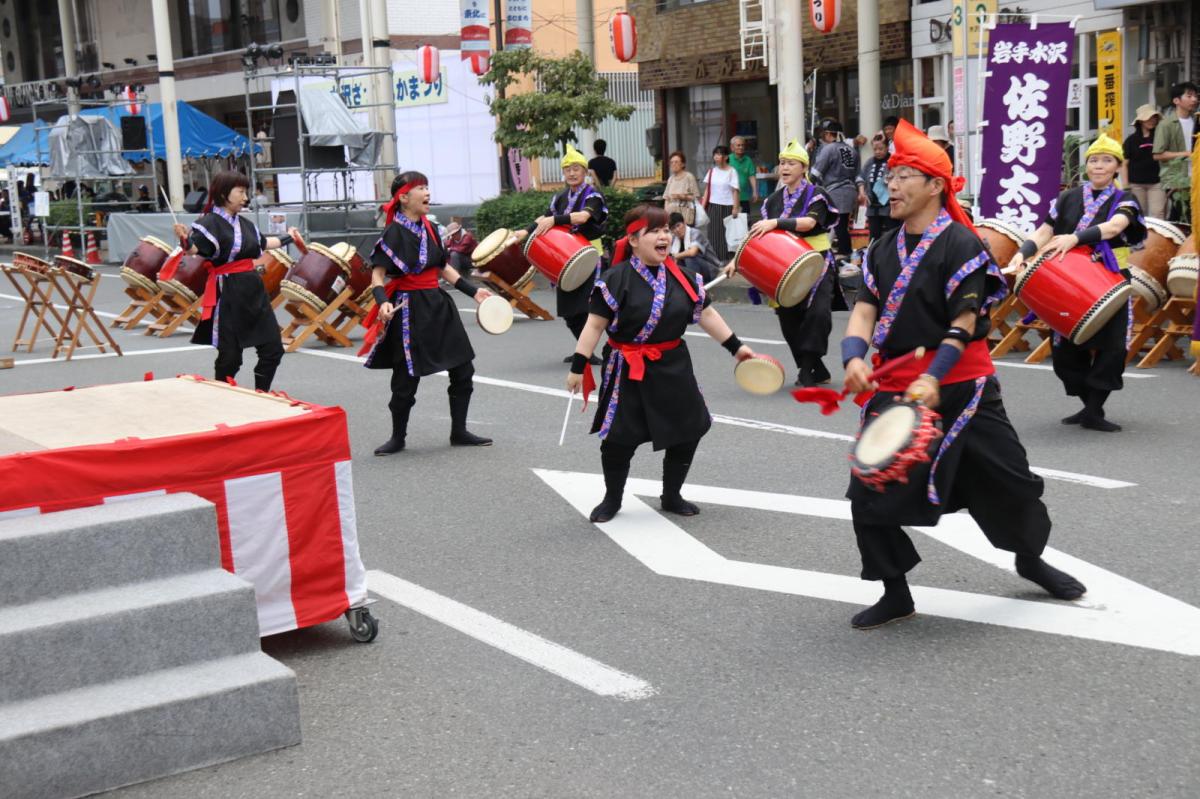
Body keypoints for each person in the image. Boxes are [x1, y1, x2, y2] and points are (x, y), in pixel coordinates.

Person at [840, 119, 1086, 630]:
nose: (893, 182)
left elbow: (965, 321)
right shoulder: (883, 248)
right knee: (870, 488)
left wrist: (937, 373)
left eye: (905, 173)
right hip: (897, 387)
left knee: (1011, 485)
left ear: (935, 186)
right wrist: (853, 356)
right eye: (890, 173)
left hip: (963, 387)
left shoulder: (961, 244)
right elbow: (865, 308)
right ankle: (895, 591)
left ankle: (1028, 557)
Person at [566, 205, 756, 523]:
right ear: (634, 240)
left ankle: (671, 495)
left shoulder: (684, 277)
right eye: (654, 231)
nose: (663, 235)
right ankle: (612, 499)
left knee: (689, 429)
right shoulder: (615, 279)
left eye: (666, 230)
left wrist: (737, 348)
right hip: (628, 367)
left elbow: (707, 315)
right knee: (618, 440)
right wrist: (578, 367)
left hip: (672, 364)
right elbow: (595, 325)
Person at [1007, 134, 1146, 432]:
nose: (1099, 166)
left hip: (1109, 279)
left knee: (1112, 349)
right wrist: (1022, 253)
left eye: (1107, 160)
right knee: (1064, 354)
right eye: (1094, 160)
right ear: (1087, 166)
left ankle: (1094, 411)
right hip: (1066, 280)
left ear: (1117, 167)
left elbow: (1114, 228)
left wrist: (1075, 238)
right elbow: (1044, 232)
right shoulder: (1067, 198)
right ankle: (1088, 404)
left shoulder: (1126, 200)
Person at [360, 171, 495, 454]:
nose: (427, 192)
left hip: (438, 303)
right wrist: (382, 301)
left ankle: (459, 430)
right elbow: (377, 275)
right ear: (404, 197)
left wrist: (474, 291)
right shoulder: (393, 232)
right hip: (408, 308)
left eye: (427, 187)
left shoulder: (431, 228)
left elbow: (443, 267)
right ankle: (398, 437)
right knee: (406, 378)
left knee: (463, 367)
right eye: (421, 187)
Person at [170, 171, 300, 391]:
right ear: (223, 193)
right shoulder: (208, 223)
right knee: (230, 356)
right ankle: (223, 394)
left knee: (272, 348)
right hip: (228, 291)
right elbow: (195, 248)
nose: (245, 197)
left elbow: (265, 243)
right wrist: (184, 239)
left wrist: (290, 235)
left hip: (253, 289)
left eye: (245, 191)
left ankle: (262, 393)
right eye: (240, 191)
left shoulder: (245, 224)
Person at [730, 139, 837, 386]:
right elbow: (760, 235)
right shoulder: (773, 201)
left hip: (816, 261)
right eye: (782, 163)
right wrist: (737, 260)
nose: (784, 168)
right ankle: (814, 367)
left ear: (804, 168)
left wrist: (776, 223)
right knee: (788, 318)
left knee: (817, 315)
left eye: (791, 163)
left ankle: (807, 369)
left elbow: (809, 224)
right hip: (782, 264)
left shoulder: (816, 194)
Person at [518, 143, 609, 363]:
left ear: (585, 171)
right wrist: (523, 232)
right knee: (570, 312)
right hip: (564, 258)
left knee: (589, 309)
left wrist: (555, 220)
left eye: (576, 168)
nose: (571, 173)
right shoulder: (559, 197)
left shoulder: (593, 195)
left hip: (589, 257)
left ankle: (598, 352)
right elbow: (544, 218)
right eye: (567, 169)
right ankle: (585, 352)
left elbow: (583, 217)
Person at [810, 119, 858, 257]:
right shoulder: (852, 150)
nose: (823, 138)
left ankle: (844, 253)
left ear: (829, 134)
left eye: (824, 134)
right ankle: (843, 253)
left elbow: (816, 173)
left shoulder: (829, 149)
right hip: (850, 191)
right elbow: (856, 173)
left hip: (835, 192)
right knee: (841, 225)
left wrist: (806, 187)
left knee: (837, 226)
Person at [1152, 81, 1198, 222]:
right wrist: (1185, 154)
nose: (1194, 99)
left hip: (1196, 177)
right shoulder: (1166, 125)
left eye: (1196, 96)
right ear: (1176, 101)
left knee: (1189, 215)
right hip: (1177, 180)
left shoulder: (1197, 121)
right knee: (1184, 214)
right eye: (1189, 96)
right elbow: (1157, 155)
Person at [1122, 104, 1165, 219]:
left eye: (1154, 117)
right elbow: (1124, 164)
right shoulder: (1130, 140)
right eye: (1149, 117)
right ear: (1140, 121)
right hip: (1136, 184)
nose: (1152, 120)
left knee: (1158, 214)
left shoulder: (1160, 138)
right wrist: (1125, 186)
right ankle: (1142, 237)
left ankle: (1157, 237)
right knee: (1139, 214)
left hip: (1157, 182)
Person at [701, 145, 741, 261]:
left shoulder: (732, 171)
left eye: (719, 154)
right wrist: (703, 207)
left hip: (728, 206)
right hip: (713, 206)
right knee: (713, 234)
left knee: (726, 234)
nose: (717, 157)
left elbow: (735, 191)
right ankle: (714, 259)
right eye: (715, 154)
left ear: (726, 157)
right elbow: (707, 189)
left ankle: (726, 259)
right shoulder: (712, 171)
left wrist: (735, 208)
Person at [856, 132, 898, 241]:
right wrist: (861, 192)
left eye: (881, 148)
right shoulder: (869, 162)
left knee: (892, 233)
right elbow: (861, 177)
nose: (878, 152)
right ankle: (873, 255)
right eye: (875, 149)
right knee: (874, 235)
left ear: (887, 147)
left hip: (889, 205)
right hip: (872, 205)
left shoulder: (893, 161)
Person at [668, 211, 719, 281]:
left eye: (678, 225)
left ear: (684, 223)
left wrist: (675, 256)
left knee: (689, 258)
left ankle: (696, 285)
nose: (677, 230)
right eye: (673, 228)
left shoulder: (695, 233)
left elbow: (692, 252)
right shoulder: (674, 238)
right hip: (691, 270)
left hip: (709, 270)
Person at [663, 150, 701, 225]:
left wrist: (682, 196)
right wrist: (665, 213)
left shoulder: (689, 177)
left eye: (676, 162)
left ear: (683, 164)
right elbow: (666, 198)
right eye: (671, 162)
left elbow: (696, 197)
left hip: (685, 215)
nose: (673, 164)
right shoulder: (671, 179)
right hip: (671, 216)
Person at [729, 136, 759, 207]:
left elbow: (751, 176)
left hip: (744, 196)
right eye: (738, 145)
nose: (741, 147)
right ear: (732, 147)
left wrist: (755, 191)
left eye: (742, 145)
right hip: (730, 197)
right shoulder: (728, 159)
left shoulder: (748, 160)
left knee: (744, 217)